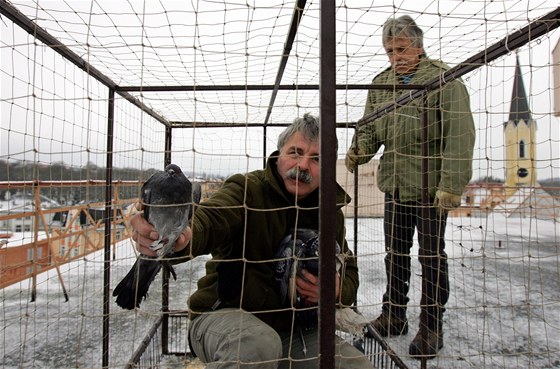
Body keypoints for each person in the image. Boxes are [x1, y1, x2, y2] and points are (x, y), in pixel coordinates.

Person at [131, 113, 373, 369]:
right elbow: (210, 220)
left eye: (316, 159)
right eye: (295, 152)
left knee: (355, 365)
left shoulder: (330, 212)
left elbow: (350, 274)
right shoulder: (247, 190)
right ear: (279, 155)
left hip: (295, 330)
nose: (303, 165)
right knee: (260, 346)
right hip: (223, 319)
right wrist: (182, 235)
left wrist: (334, 290)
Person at [345, 15, 475, 359]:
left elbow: (460, 137)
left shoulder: (443, 80)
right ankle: (395, 315)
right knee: (396, 255)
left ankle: (432, 325)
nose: (395, 56)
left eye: (400, 49)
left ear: (417, 45)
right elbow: (370, 128)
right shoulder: (381, 83)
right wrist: (360, 149)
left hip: (431, 189)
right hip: (397, 185)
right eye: (389, 51)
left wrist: (450, 186)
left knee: (431, 257)